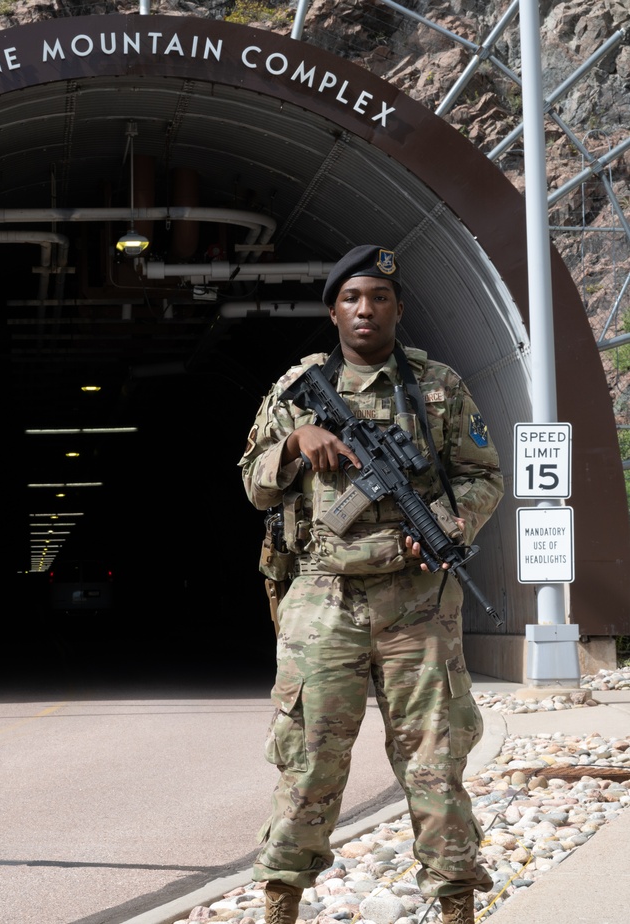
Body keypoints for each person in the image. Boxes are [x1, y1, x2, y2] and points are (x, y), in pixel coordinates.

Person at [238, 245, 504, 924]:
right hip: (323, 597)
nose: (366, 309)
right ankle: (280, 903)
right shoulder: (297, 388)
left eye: (379, 298)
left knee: (434, 759)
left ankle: (453, 905)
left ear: (397, 308)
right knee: (309, 762)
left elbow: (483, 475)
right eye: (353, 298)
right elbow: (252, 484)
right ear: (334, 310)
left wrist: (446, 521)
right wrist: (296, 444)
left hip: (416, 600)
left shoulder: (435, 385)